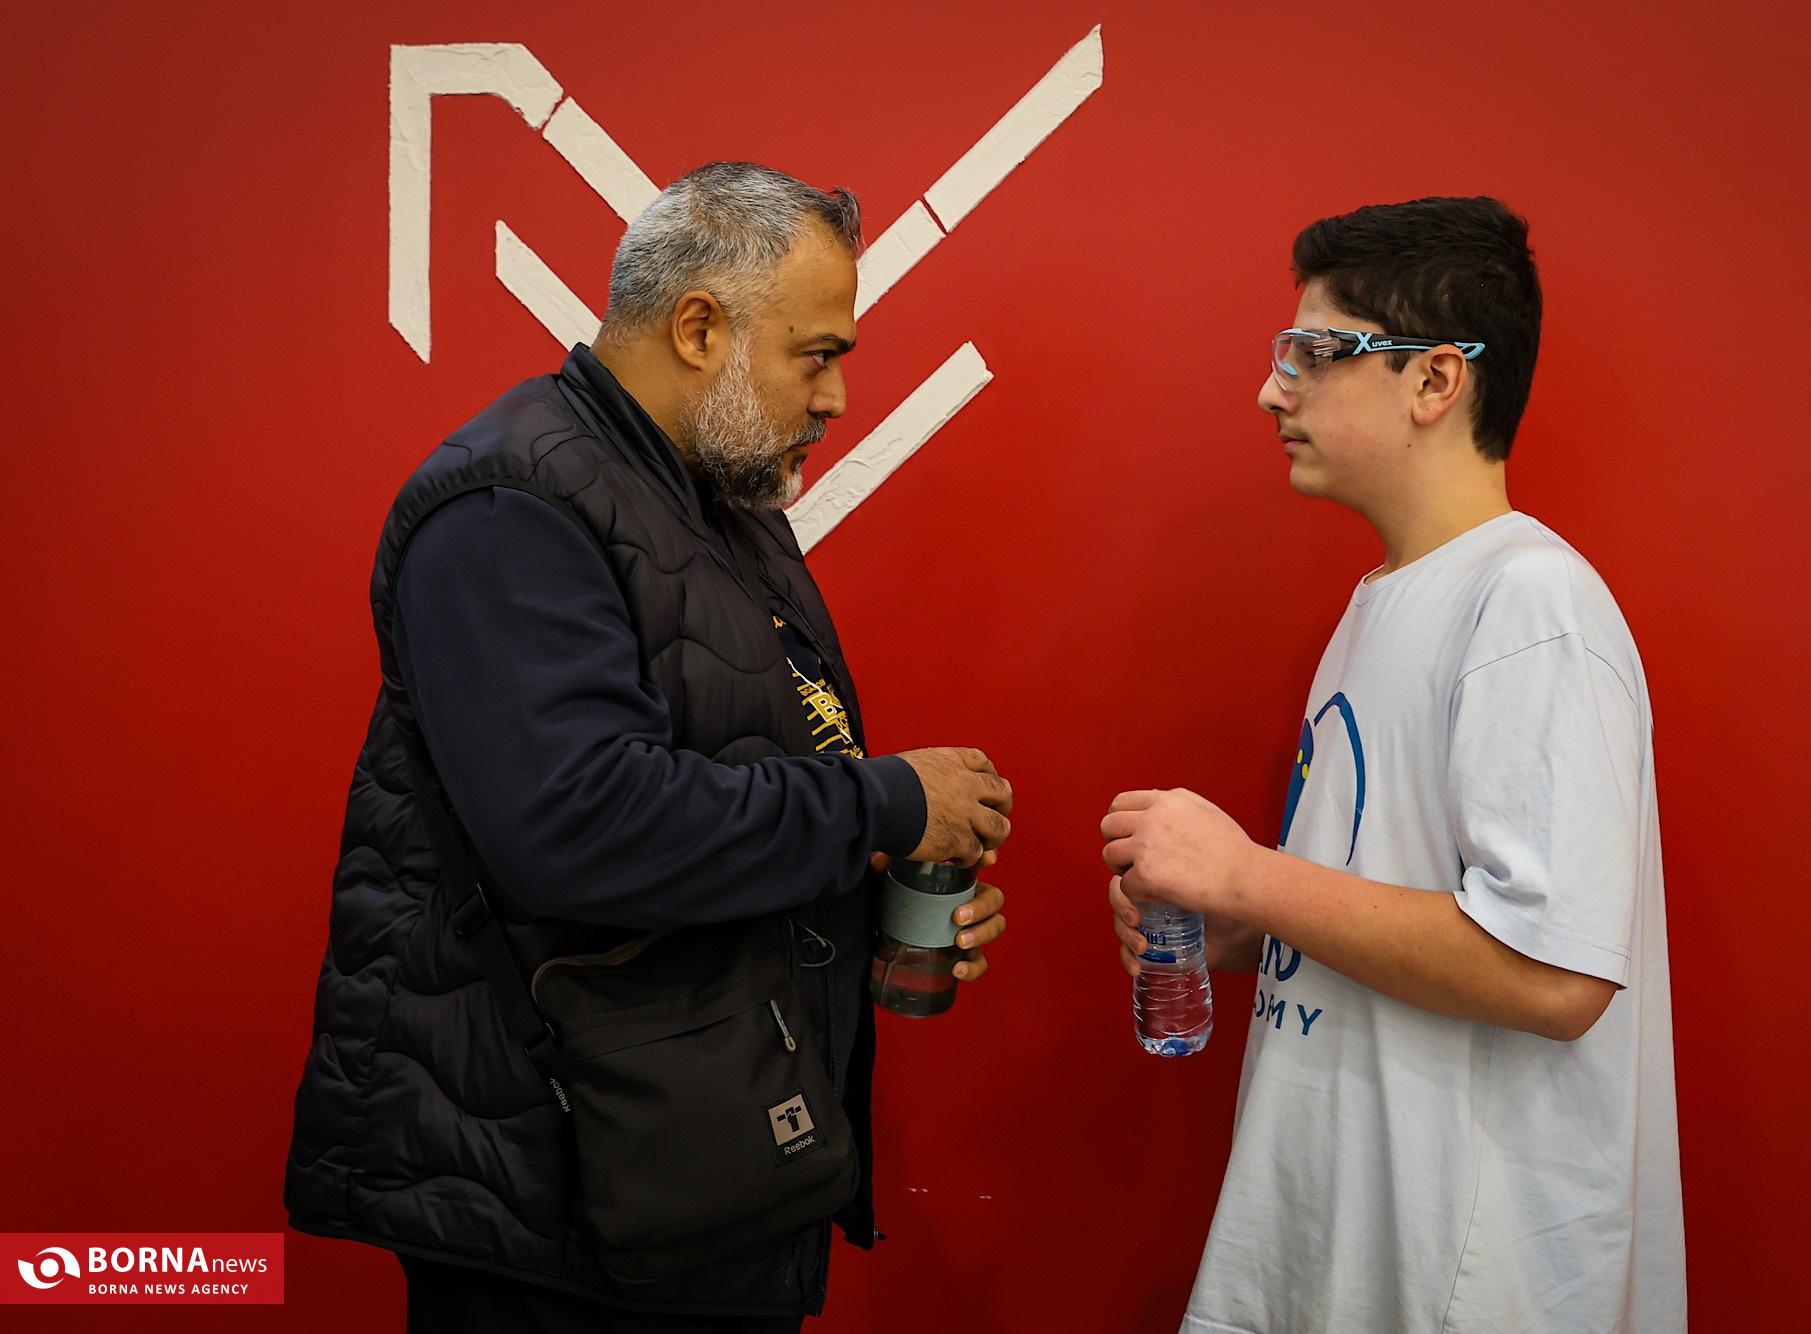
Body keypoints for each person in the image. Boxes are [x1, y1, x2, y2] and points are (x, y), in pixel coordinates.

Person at [286, 161, 1013, 1333]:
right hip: (557, 1218)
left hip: (690, 1182)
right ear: (698, 326)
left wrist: (858, 898)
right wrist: (882, 804)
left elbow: (724, 789)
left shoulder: (716, 505)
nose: (834, 397)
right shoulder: (510, 504)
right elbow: (580, 826)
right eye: (816, 355)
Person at [1101, 197, 1684, 1332]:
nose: (1271, 391)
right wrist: (1244, 932)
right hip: (1356, 1249)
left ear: (1434, 380)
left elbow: (1553, 974)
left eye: (1313, 352)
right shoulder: (1385, 601)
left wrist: (1245, 875)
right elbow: (1407, 907)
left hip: (1468, 1284)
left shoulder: (1529, 601)